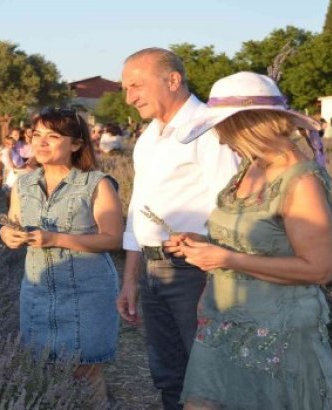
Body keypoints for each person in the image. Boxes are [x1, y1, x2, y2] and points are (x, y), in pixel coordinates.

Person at [163, 71, 332, 409]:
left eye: (221, 127)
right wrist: (201, 242)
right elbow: (255, 240)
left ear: (247, 124)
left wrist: (225, 259)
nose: (217, 138)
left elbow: (320, 269)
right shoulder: (249, 167)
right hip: (222, 320)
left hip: (276, 331)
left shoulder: (301, 181)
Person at [117, 48, 239, 410]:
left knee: (207, 377)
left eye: (136, 85)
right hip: (155, 272)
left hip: (194, 272)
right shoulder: (149, 137)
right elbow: (138, 211)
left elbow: (231, 211)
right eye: (125, 88)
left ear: (173, 80)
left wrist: (216, 277)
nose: (129, 97)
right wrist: (130, 279)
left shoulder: (209, 129)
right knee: (168, 374)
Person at [0, 108, 123, 402]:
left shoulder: (96, 184)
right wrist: (8, 235)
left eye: (52, 136)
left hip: (86, 291)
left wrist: (56, 238)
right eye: (36, 135)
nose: (41, 143)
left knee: (85, 369)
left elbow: (113, 239)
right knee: (43, 367)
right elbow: (11, 222)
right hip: (38, 290)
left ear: (77, 144)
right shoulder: (24, 184)